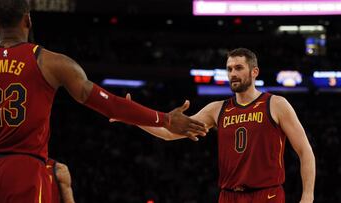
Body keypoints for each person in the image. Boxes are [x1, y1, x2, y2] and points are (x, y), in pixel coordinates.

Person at [0, 0, 207, 202]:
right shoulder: (50, 61)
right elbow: (110, 104)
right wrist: (165, 119)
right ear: (28, 20)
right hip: (23, 170)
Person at [133, 48, 316, 203]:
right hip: (229, 196)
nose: (233, 74)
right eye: (229, 69)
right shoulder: (217, 109)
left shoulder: (276, 104)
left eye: (238, 68)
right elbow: (168, 134)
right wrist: (132, 116)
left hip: (267, 194)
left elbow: (305, 151)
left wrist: (307, 196)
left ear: (254, 72)